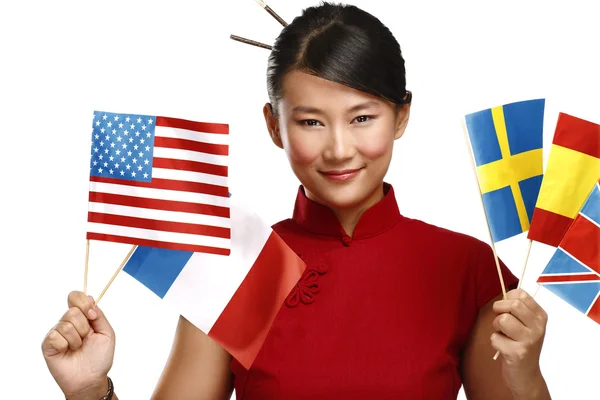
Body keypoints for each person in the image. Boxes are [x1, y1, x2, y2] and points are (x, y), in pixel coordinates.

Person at [41, 2, 551, 399]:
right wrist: (90, 392)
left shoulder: (470, 267)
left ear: (401, 116)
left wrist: (526, 376)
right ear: (273, 125)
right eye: (310, 121)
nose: (338, 148)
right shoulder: (235, 264)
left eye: (362, 117)